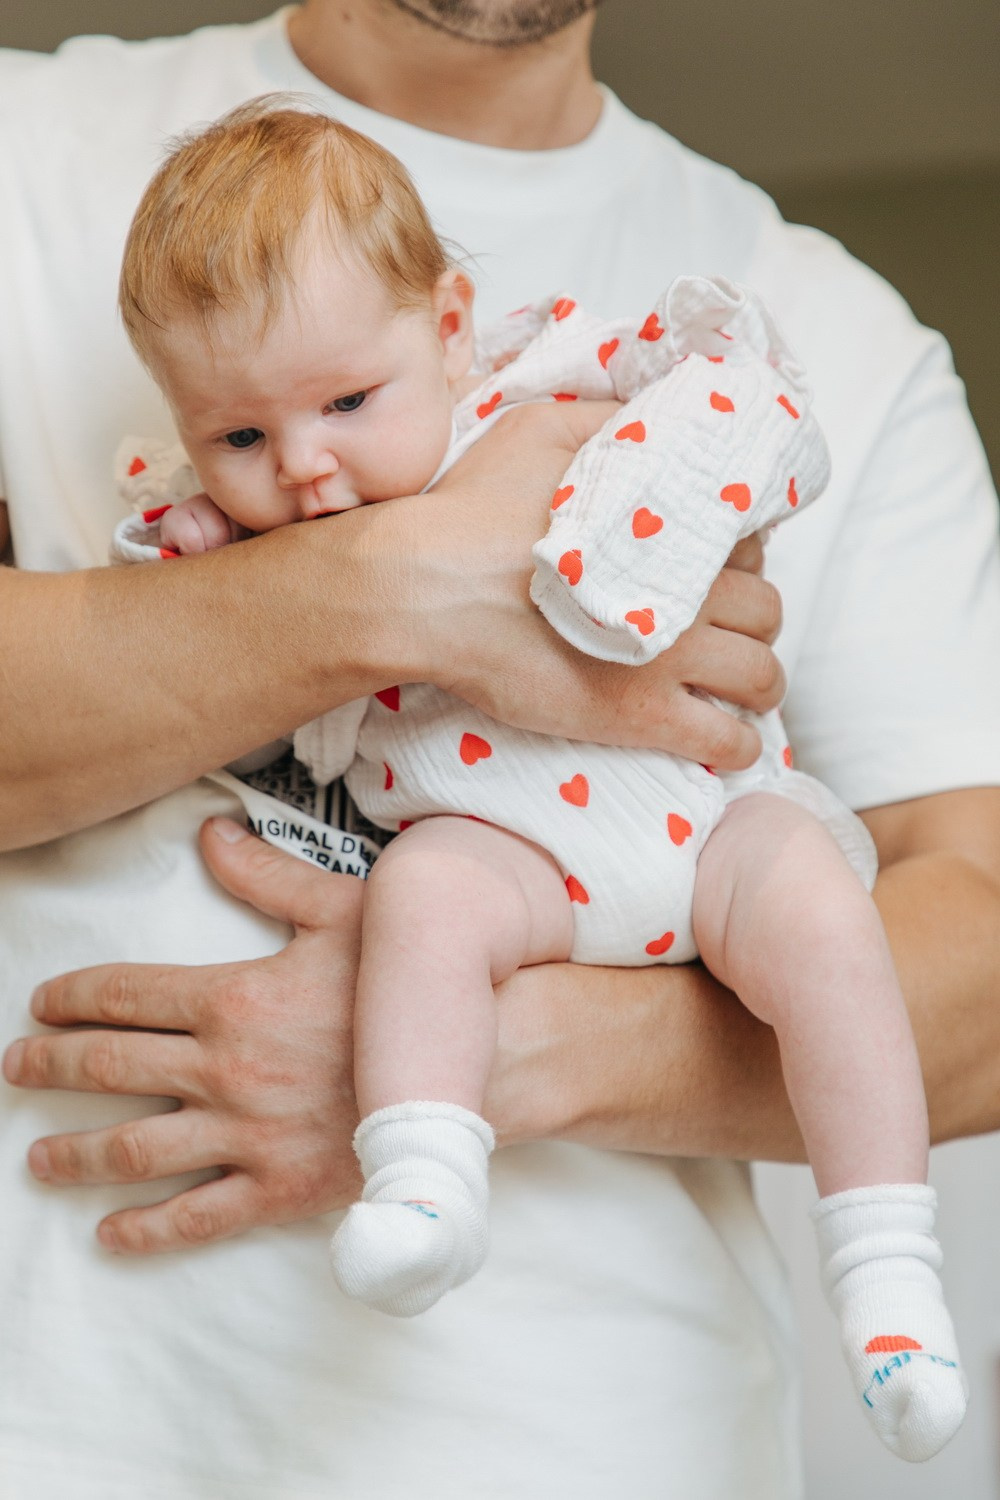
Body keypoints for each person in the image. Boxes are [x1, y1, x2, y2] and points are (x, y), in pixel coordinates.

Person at [0, 4, 998, 1496]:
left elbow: (982, 951)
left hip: (599, 1443)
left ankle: (891, 1290)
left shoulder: (826, 327)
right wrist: (394, 590)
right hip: (65, 1428)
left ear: (454, 328)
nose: (306, 466)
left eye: (348, 404)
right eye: (246, 440)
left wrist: (483, 1055)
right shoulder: (24, 152)